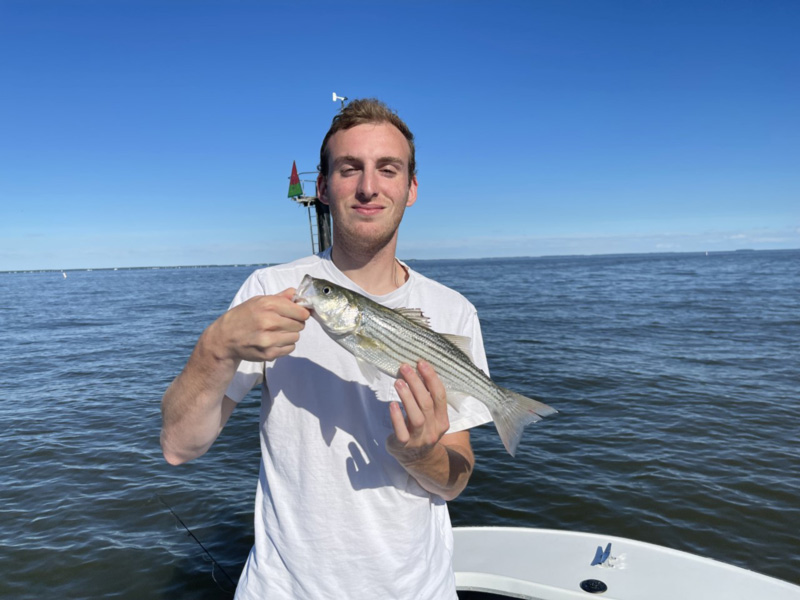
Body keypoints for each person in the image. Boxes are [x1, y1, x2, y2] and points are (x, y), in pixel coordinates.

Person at [161, 98, 492, 599]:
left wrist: (422, 455)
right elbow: (179, 447)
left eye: (388, 168)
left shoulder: (453, 312)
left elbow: (453, 481)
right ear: (321, 186)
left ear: (411, 188)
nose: (368, 186)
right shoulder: (270, 289)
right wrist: (216, 346)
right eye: (349, 168)